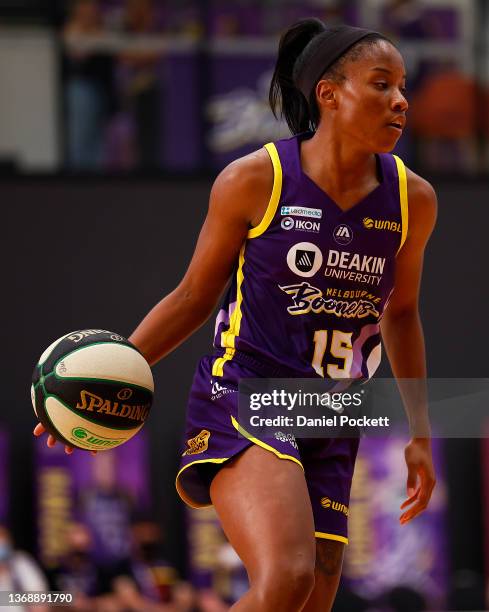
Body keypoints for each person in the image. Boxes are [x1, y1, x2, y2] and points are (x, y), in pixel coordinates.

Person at [35, 18, 437, 611]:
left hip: (334, 410)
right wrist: (105, 378)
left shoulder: (413, 198)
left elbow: (401, 314)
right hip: (245, 394)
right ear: (328, 93)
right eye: (381, 84)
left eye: (403, 85)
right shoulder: (256, 178)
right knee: (287, 579)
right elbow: (193, 296)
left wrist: (420, 431)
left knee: (314, 600)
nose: (400, 99)